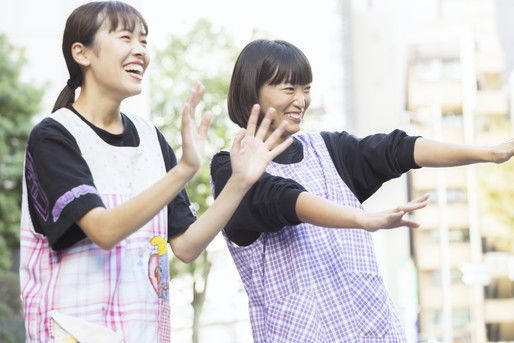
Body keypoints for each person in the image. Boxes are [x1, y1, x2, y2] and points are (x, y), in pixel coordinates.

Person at [19, 3, 292, 342]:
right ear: (82, 53)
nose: (140, 51)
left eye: (144, 42)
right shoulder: (54, 136)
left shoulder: (150, 139)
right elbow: (102, 230)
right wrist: (182, 171)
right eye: (125, 37)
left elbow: (187, 247)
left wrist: (239, 182)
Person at [210, 39, 514, 342]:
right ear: (252, 91)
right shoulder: (230, 168)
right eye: (289, 89)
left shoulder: (329, 150)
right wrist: (362, 219)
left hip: (373, 331)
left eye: (307, 89)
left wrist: (486, 153)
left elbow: (398, 149)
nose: (301, 100)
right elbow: (282, 198)